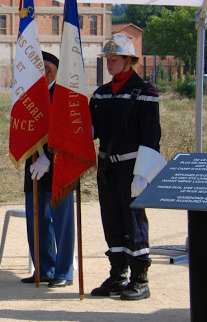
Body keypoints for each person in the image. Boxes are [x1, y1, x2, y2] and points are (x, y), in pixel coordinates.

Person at [89, 33, 162, 301]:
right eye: (107, 59)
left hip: (133, 167)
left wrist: (143, 174)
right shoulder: (101, 93)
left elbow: (151, 137)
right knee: (111, 220)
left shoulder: (145, 93)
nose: (109, 63)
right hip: (107, 166)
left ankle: (140, 278)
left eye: (114, 59)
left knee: (134, 222)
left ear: (129, 60)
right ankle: (118, 274)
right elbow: (94, 129)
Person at [21, 52, 75, 287]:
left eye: (48, 66)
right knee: (36, 220)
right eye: (39, 66)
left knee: (62, 223)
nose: (44, 70)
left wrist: (49, 158)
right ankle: (43, 269)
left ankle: (63, 272)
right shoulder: (28, 96)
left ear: (55, 70)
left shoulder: (64, 96)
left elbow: (69, 132)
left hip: (59, 166)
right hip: (33, 164)